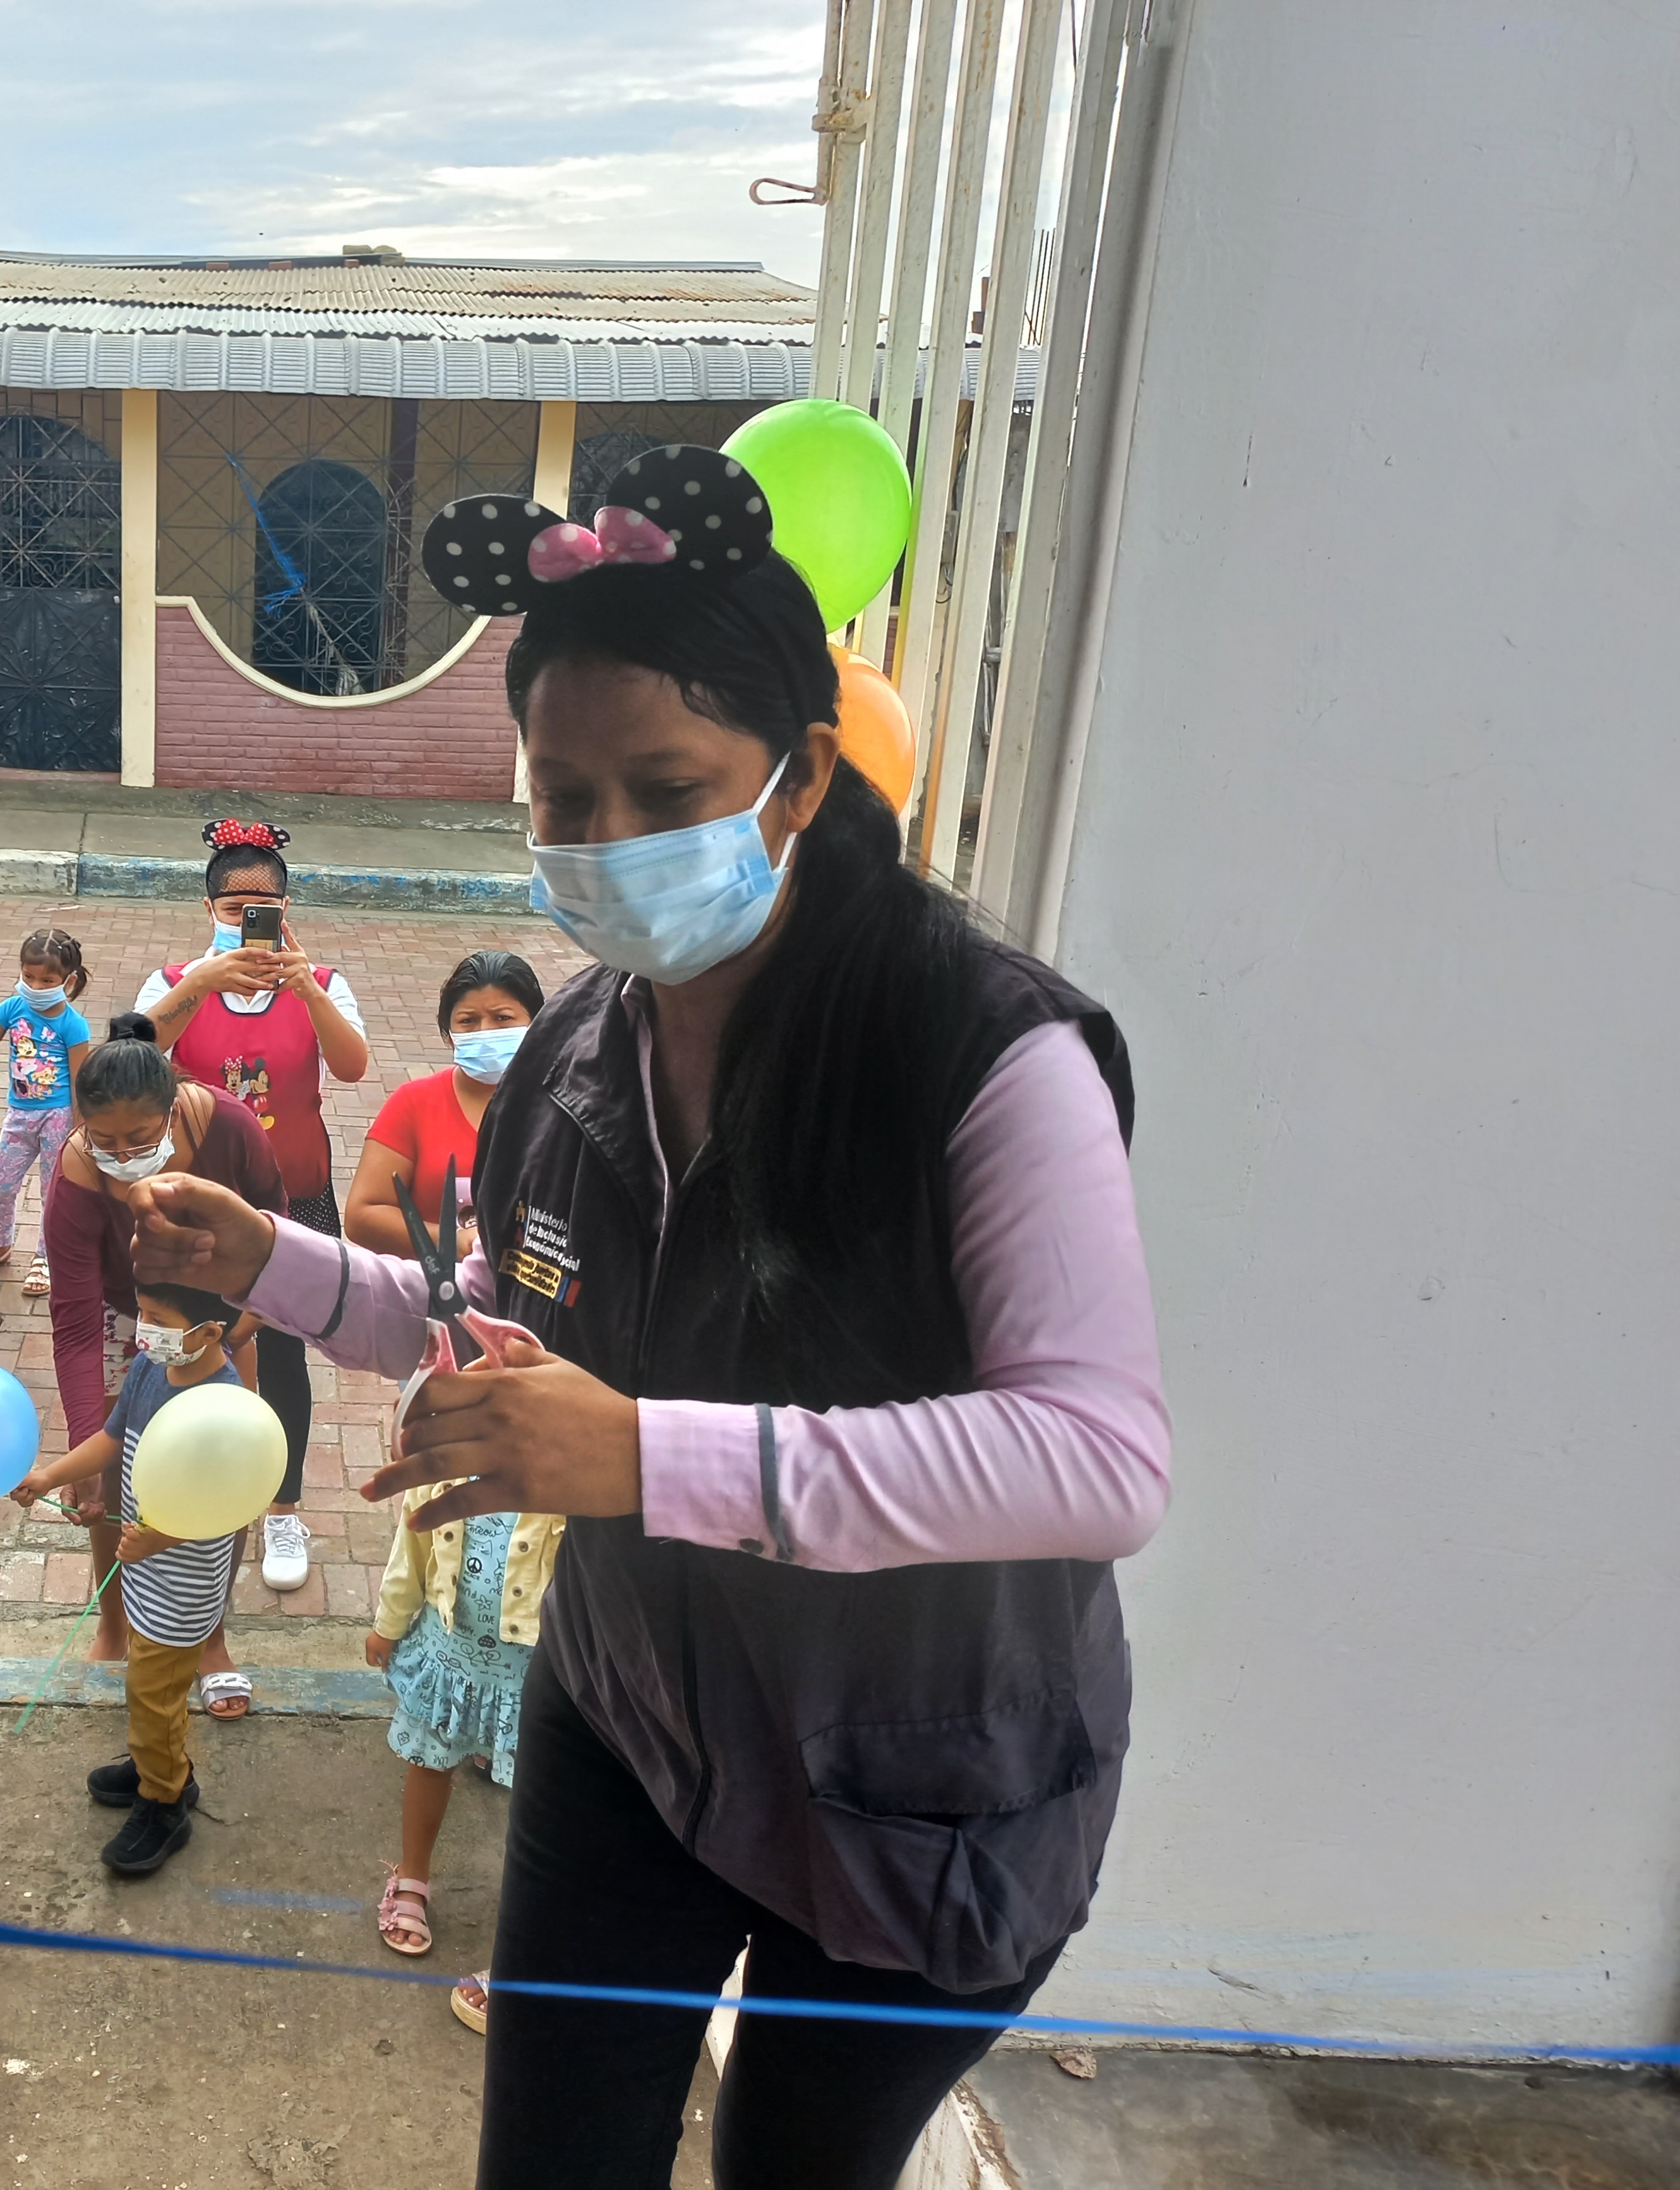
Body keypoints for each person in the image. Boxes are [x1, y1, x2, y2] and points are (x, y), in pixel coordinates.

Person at [124, 443, 1169, 2189]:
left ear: (800, 774)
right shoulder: (571, 1049)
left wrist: (641, 1453)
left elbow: (1097, 1456)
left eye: (664, 787)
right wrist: (270, 1264)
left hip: (918, 1785)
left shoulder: (983, 1054)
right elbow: (495, 1325)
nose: (603, 841)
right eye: (562, 795)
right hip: (634, 1725)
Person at [138, 818, 371, 1591]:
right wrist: (200, 983)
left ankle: (283, 1508)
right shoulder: (173, 981)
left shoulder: (322, 982)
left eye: (261, 908)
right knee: (189, 1344)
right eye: (233, 909)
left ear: (286, 908)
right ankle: (200, 1494)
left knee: (283, 1354)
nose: (246, 921)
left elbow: (352, 1066)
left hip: (296, 1199)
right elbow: (136, 1056)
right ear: (208, 908)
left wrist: (306, 988)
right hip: (199, 1203)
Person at [43, 1015, 282, 1713]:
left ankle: (210, 1639)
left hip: (225, 1314)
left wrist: (236, 1332)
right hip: (129, 1316)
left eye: (141, 1138)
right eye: (104, 1140)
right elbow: (75, 1323)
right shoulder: (75, 1176)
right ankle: (114, 1626)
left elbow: (281, 1231)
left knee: (225, 1471)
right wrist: (82, 1451)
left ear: (173, 1110)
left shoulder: (230, 1127)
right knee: (112, 1474)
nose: (122, 1155)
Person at [12, 1277, 246, 1876]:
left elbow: (225, 1502)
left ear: (209, 1333)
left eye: (159, 1319)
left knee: (152, 1695)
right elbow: (112, 1438)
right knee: (152, 1686)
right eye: (143, 1314)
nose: (145, 1331)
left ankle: (164, 1802)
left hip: (184, 1582)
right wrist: (51, 1475)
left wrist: (162, 1538)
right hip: (146, 1568)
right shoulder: (149, 1369)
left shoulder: (225, 1406)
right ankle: (159, 1767)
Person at [365, 1459, 564, 2037]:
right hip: (449, 1659)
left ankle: (533, 1926)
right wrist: (389, 1623)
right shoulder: (445, 1478)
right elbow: (411, 1552)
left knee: (539, 1802)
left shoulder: (563, 1487)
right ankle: (412, 1876)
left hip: (532, 1677)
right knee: (429, 1763)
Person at [342, 950, 543, 1260]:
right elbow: (362, 1216)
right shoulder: (414, 1103)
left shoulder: (566, 1106)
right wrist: (451, 1242)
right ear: (449, 1034)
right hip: (432, 1286)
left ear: (536, 1023)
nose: (485, 1032)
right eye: (468, 1021)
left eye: (503, 1018)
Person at [0, 926, 93, 1295]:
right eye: (28, 976)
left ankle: (46, 1257)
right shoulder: (11, 1009)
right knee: (1, 1185)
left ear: (68, 981)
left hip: (58, 1118)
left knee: (53, 1192)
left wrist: (80, 1132)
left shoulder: (73, 1025)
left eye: (47, 980)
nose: (35, 986)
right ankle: (0, 1244)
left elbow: (80, 1083)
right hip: (19, 1116)